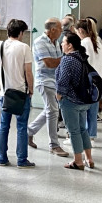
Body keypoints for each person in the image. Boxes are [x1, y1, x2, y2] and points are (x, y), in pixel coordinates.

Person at [0, 19, 35, 168]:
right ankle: (21, 159)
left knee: (4, 126)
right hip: (21, 93)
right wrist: (31, 89)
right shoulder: (24, 47)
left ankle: (2, 158)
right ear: (21, 33)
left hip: (5, 93)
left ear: (7, 32)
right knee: (22, 126)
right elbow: (28, 72)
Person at [27, 18, 68, 157]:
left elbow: (57, 62)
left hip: (55, 81)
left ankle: (29, 132)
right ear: (53, 30)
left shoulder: (56, 42)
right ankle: (54, 145)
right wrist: (67, 58)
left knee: (50, 110)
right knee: (53, 111)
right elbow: (50, 63)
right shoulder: (39, 42)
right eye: (60, 29)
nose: (62, 31)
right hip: (45, 81)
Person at [56, 32, 95, 171]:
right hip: (84, 100)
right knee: (83, 129)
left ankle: (78, 161)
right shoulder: (82, 57)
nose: (61, 44)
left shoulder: (67, 59)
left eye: (64, 42)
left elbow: (63, 81)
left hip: (71, 101)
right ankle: (89, 159)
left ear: (70, 45)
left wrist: (59, 96)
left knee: (73, 131)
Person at [74, 19, 102, 144]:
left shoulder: (84, 42)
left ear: (80, 31)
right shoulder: (98, 40)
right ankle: (91, 134)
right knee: (93, 110)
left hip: (88, 80)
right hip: (99, 79)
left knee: (82, 110)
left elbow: (83, 63)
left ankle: (83, 135)